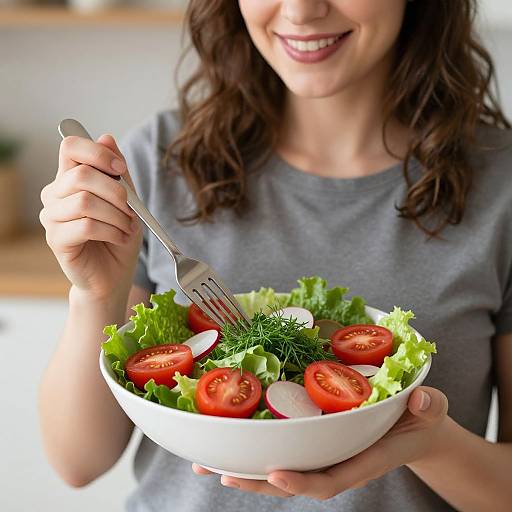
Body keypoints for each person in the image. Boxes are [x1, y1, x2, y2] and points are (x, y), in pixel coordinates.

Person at [38, 0, 512, 510]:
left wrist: (429, 441)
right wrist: (96, 294)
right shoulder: (160, 161)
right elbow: (77, 462)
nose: (303, 11)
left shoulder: (501, 186)